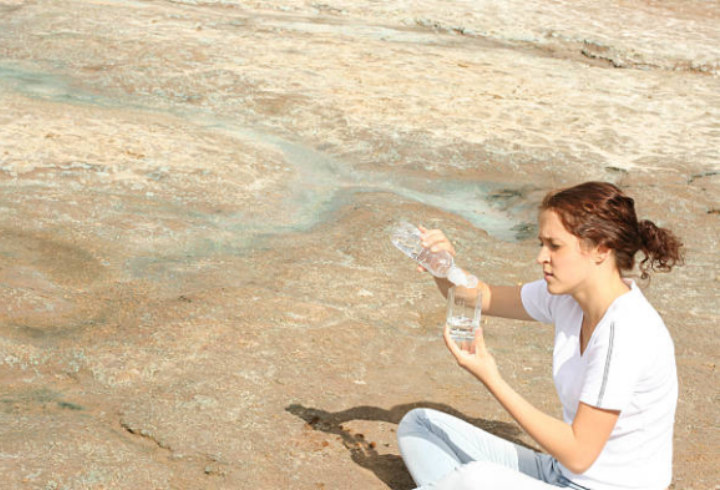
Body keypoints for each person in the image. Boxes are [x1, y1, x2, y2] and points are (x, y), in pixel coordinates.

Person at [397, 181, 683, 489]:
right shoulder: (566, 296)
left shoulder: (626, 332)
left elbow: (578, 454)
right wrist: (443, 265)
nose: (541, 257)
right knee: (420, 425)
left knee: (474, 478)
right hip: (559, 474)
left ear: (601, 248)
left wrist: (491, 377)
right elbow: (478, 296)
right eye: (541, 243)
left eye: (555, 246)